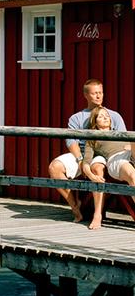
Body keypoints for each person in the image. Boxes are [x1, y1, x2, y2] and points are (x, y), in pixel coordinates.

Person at [48, 78, 126, 227]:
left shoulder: (113, 116)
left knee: (97, 168)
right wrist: (80, 160)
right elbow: (71, 141)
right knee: (54, 167)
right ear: (86, 95)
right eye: (94, 93)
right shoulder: (77, 118)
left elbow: (122, 139)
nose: (98, 96)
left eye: (101, 93)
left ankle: (97, 215)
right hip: (83, 153)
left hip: (105, 154)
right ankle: (75, 205)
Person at [81, 106, 135, 229]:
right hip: (116, 159)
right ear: (95, 121)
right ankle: (97, 215)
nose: (105, 117)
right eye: (100, 116)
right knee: (133, 175)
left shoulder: (121, 133)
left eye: (106, 115)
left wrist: (129, 145)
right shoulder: (93, 138)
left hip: (130, 154)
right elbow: (86, 162)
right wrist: (91, 175)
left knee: (133, 137)